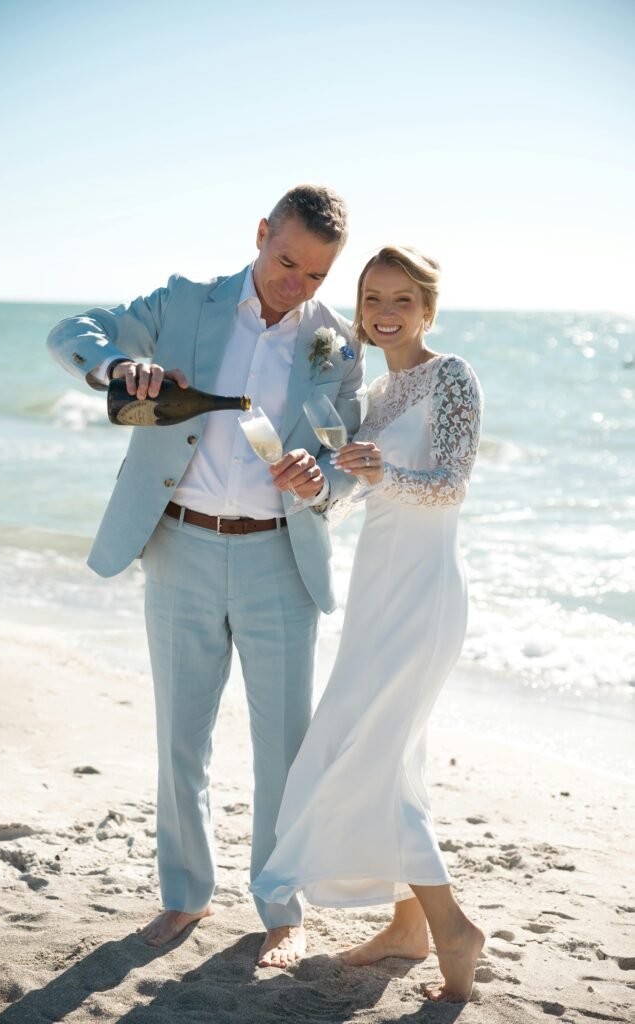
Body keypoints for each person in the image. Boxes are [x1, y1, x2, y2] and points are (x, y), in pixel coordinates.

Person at [46, 185, 365, 967]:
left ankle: (281, 906)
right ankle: (185, 896)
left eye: (316, 276)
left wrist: (317, 478)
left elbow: (345, 455)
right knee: (180, 740)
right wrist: (118, 363)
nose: (297, 285)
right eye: (287, 262)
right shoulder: (184, 303)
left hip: (280, 560)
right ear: (261, 235)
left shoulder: (335, 343)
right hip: (180, 547)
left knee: (283, 745)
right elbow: (70, 332)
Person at [251, 245, 485, 1001]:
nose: (384, 313)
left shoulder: (451, 375)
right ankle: (407, 927)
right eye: (372, 300)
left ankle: (451, 924)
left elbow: (447, 487)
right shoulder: (377, 395)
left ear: (426, 308)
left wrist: (386, 474)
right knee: (395, 757)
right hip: (375, 592)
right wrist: (311, 484)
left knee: (373, 758)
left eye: (401, 301)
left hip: (423, 595)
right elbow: (350, 502)